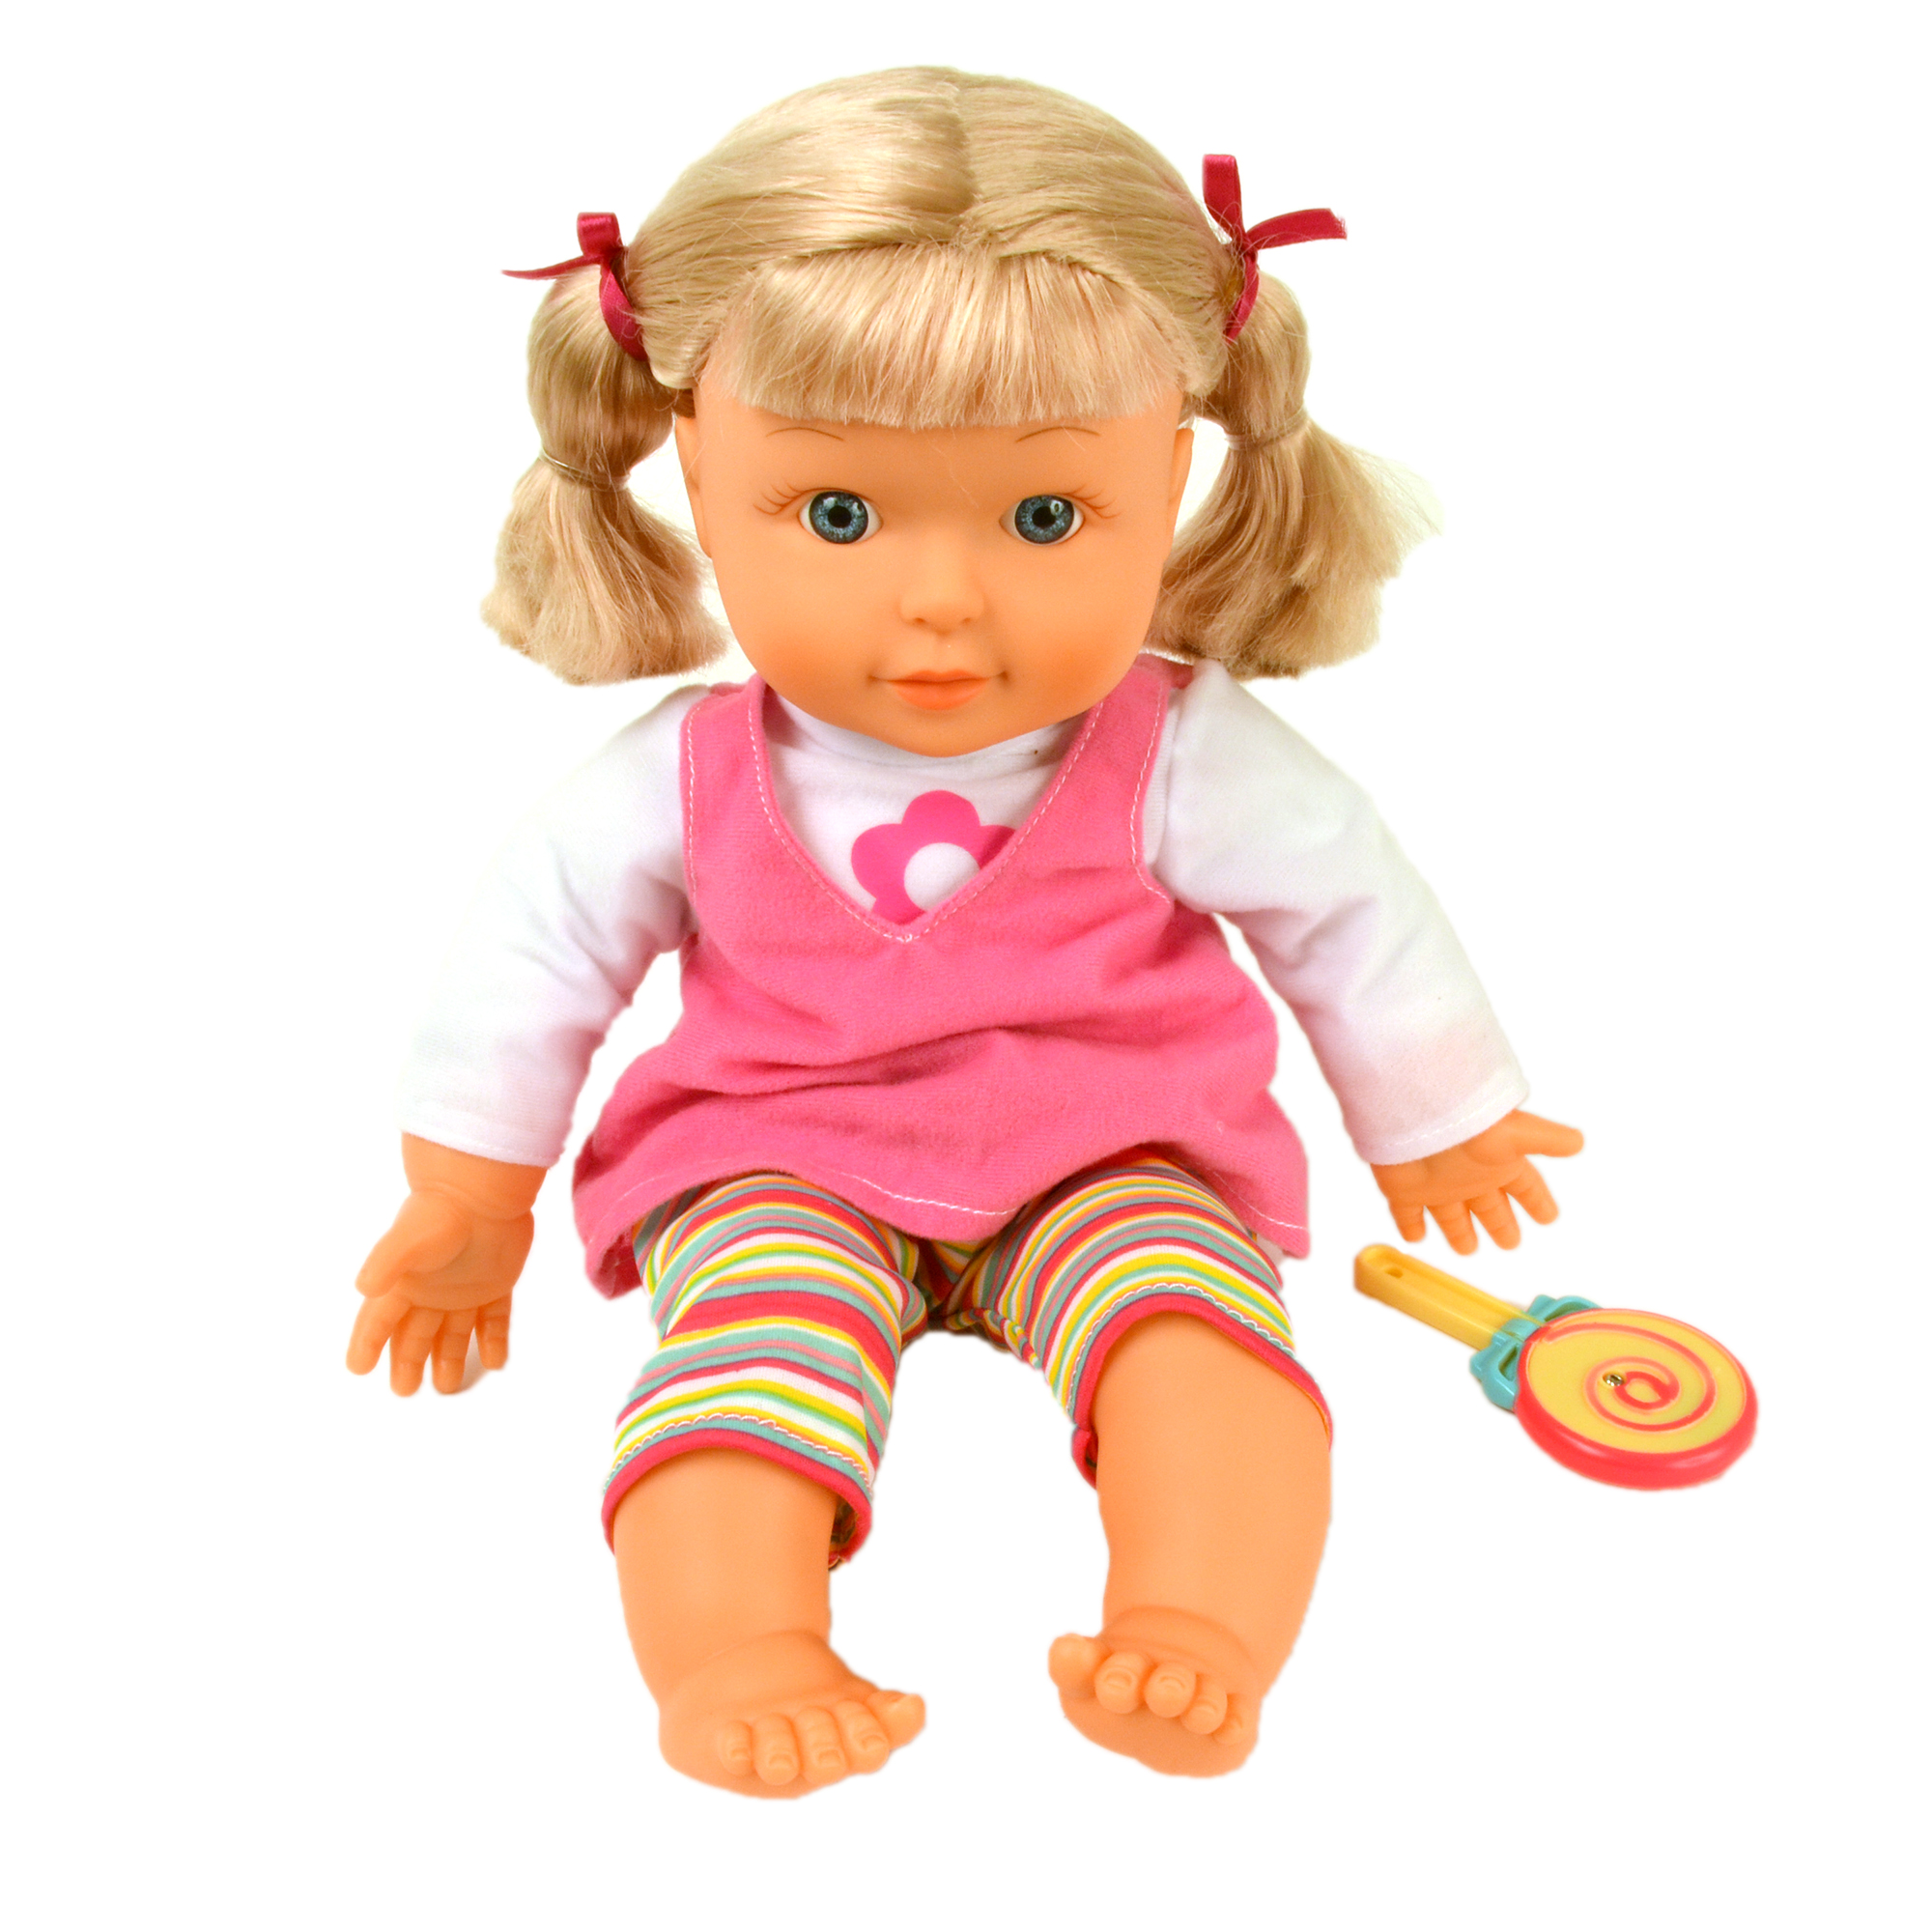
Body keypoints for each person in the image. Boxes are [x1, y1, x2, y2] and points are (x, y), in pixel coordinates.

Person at [348, 67, 1582, 1795]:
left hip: (1120, 1152)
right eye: (838, 515)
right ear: (697, 473)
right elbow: (528, 965)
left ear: (1171, 476)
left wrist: (1440, 1114)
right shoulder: (682, 778)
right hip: (774, 1155)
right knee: (746, 1367)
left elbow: (1349, 908)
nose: (942, 598)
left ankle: (1199, 1629)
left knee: (1197, 1339)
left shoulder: (1179, 748)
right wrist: (465, 1195)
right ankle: (738, 1656)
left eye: (1046, 517)